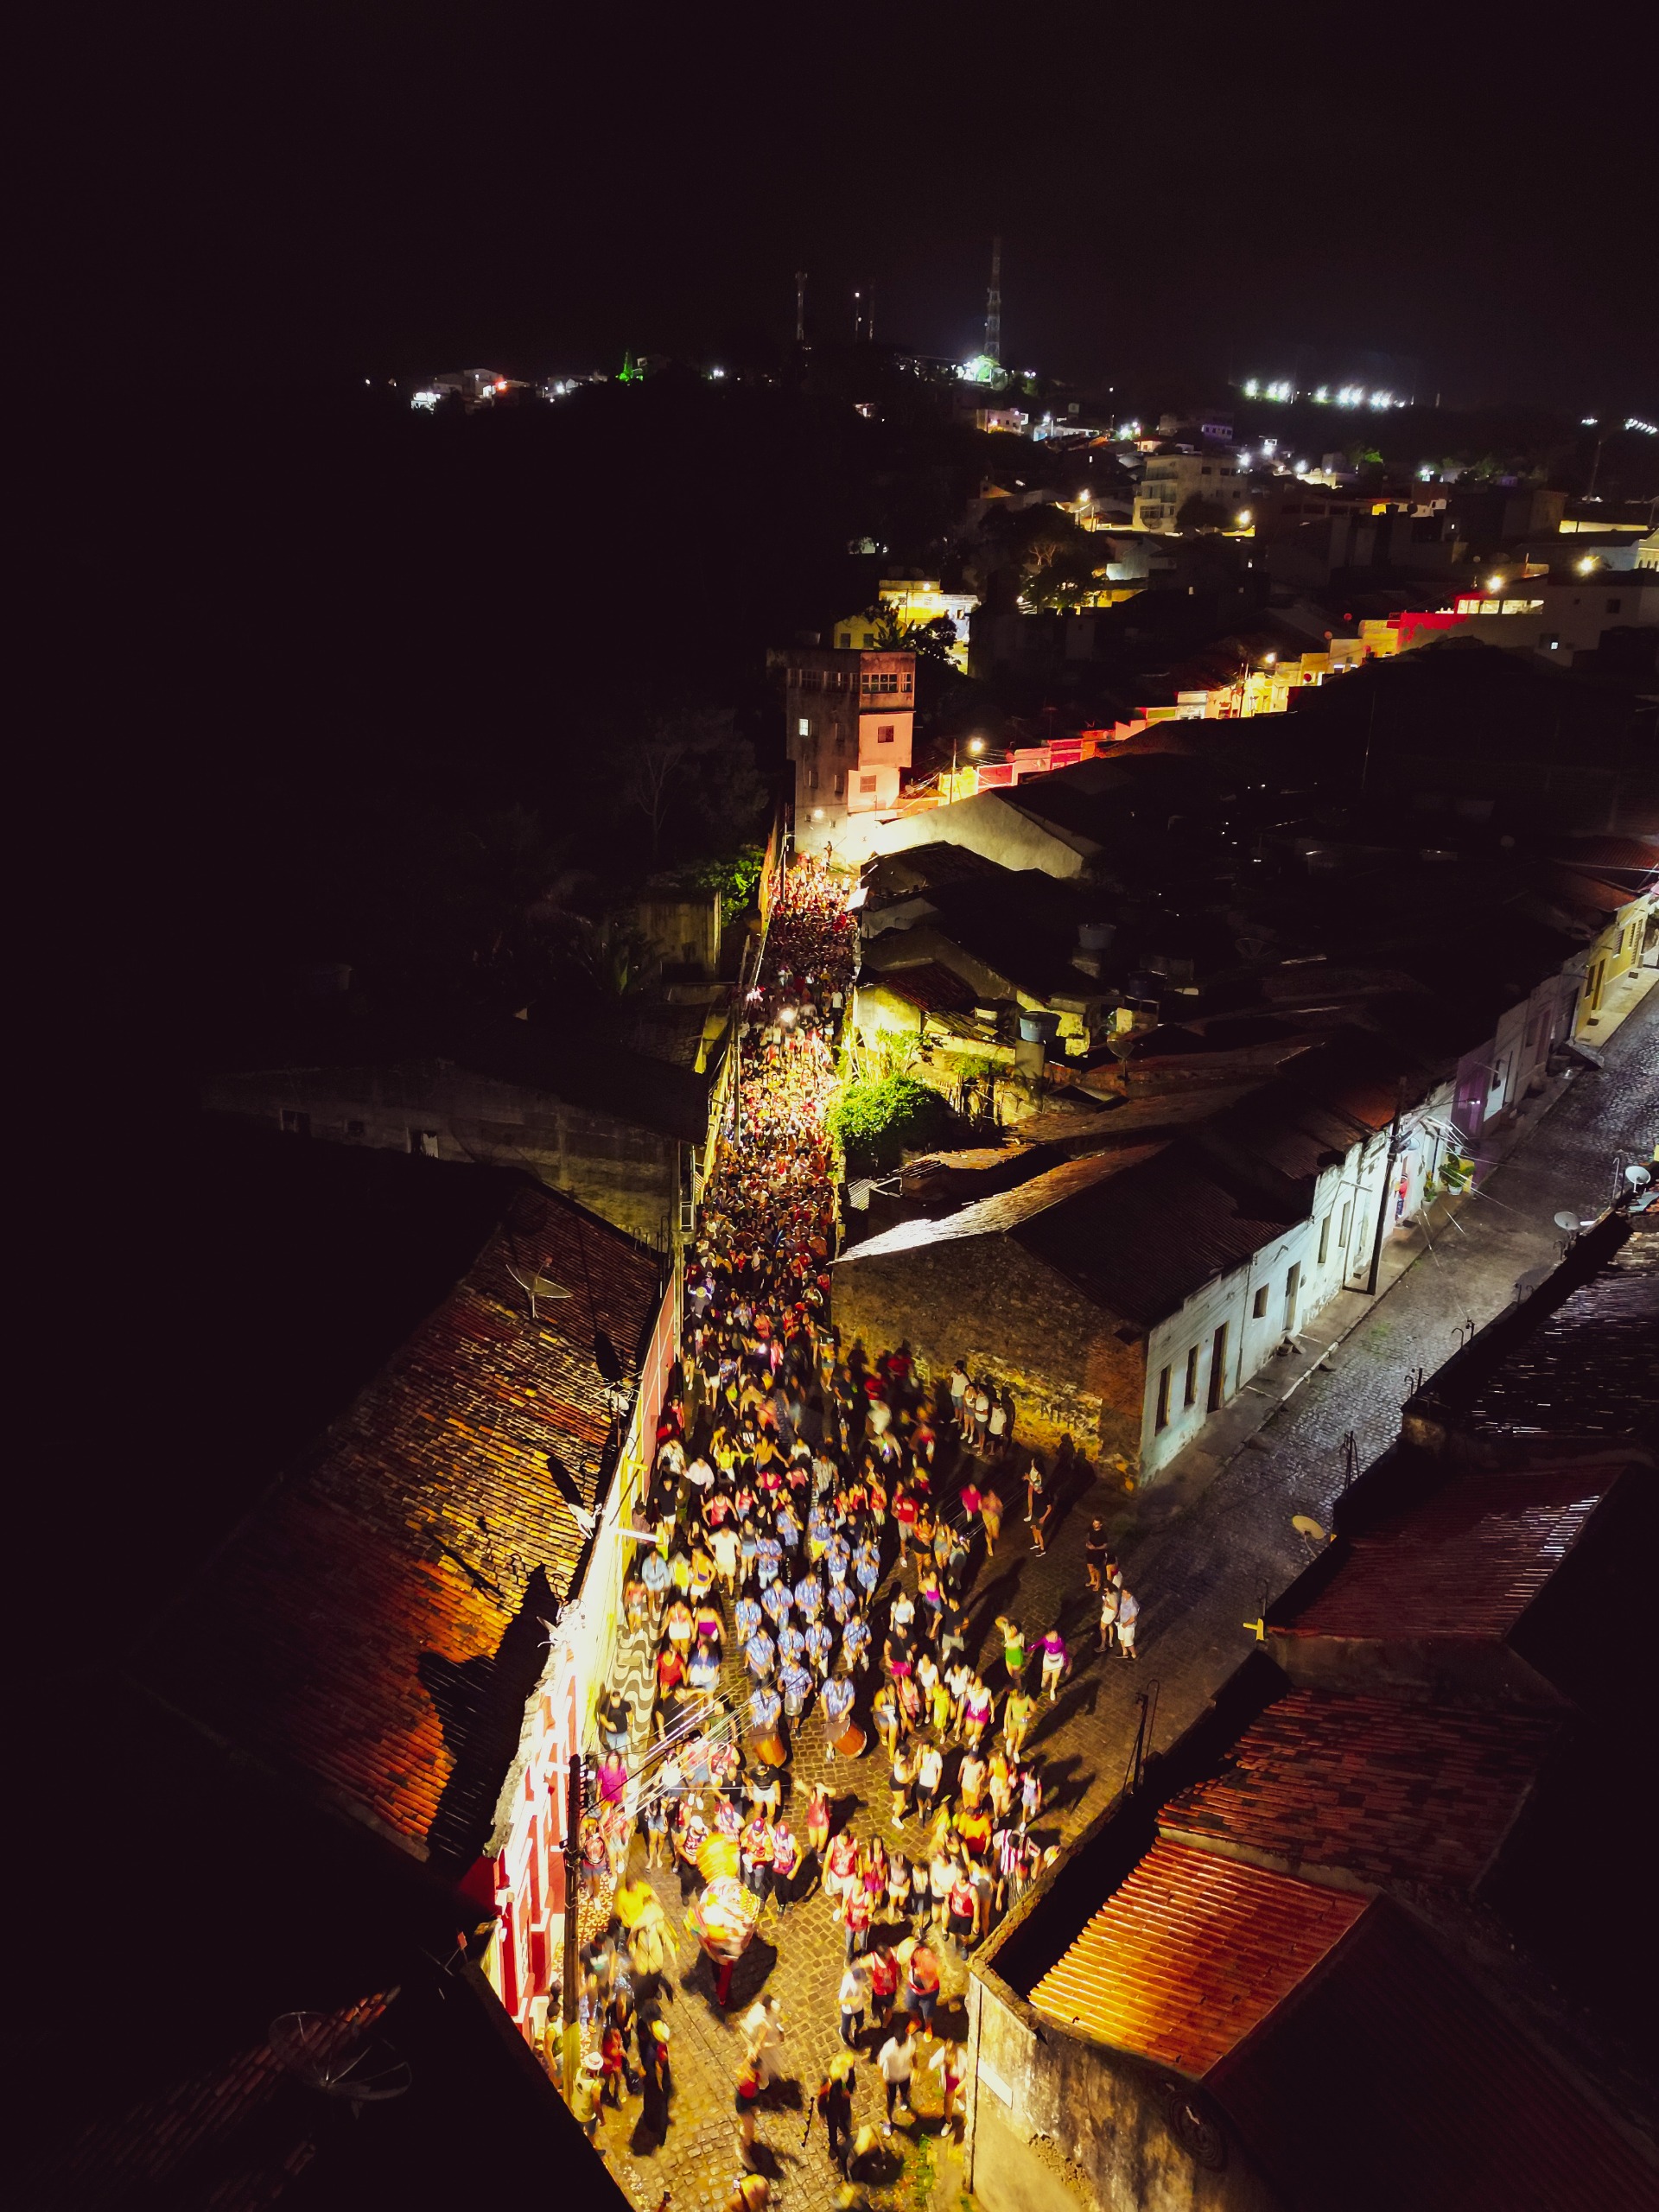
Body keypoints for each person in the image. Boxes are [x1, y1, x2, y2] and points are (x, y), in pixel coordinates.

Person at [818, 2053, 856, 2171]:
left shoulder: (849, 2073)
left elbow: (852, 2084)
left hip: (844, 2107)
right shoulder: (828, 2083)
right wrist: (822, 2115)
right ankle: (833, 2146)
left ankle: (846, 2134)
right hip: (832, 2109)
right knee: (832, 2129)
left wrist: (848, 2092)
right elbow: (822, 2099)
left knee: (846, 2124)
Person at [877, 2021, 915, 2133]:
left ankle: (902, 2099)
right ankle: (888, 2121)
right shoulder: (888, 2048)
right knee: (890, 2102)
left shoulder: (910, 2042)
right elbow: (879, 2064)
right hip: (891, 2078)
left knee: (905, 2091)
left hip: (904, 2075)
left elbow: (913, 2053)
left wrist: (916, 2067)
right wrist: (883, 2082)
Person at [839, 1955, 871, 2046]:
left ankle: (856, 2033)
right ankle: (844, 2035)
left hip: (859, 2007)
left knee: (860, 2024)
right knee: (845, 2029)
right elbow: (840, 2000)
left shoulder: (861, 1972)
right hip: (848, 2010)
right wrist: (852, 2001)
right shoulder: (848, 1982)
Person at [1038, 1625, 1068, 1701]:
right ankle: (1043, 1682)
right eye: (1052, 1636)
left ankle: (1052, 1690)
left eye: (1056, 1636)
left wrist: (1066, 1662)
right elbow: (1035, 1645)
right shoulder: (1045, 1640)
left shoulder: (1060, 1641)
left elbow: (1064, 1652)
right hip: (1048, 1662)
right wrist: (1027, 1649)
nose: (1055, 1637)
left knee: (1055, 1679)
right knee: (1045, 1677)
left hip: (1058, 1663)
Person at [1084, 1517, 1111, 1592]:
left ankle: (1098, 1582)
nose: (1094, 1524)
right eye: (1094, 1523)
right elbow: (1088, 1539)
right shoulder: (1091, 1529)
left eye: (1096, 1523)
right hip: (1090, 1552)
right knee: (1090, 1565)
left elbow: (1105, 1545)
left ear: (1100, 1524)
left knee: (1097, 1568)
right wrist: (1088, 1544)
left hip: (1098, 1553)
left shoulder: (1103, 1534)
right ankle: (1093, 1580)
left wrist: (1097, 1548)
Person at [1117, 1586, 1141, 1660]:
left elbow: (1132, 1618)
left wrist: (1125, 1625)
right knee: (1121, 1638)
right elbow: (1121, 1608)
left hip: (1129, 1626)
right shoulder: (1123, 1598)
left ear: (1129, 1594)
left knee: (1128, 1642)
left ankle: (1134, 1655)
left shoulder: (1133, 1605)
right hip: (1122, 1622)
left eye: (1124, 1593)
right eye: (1122, 1593)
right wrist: (1118, 1617)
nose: (1122, 1594)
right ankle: (1125, 1652)